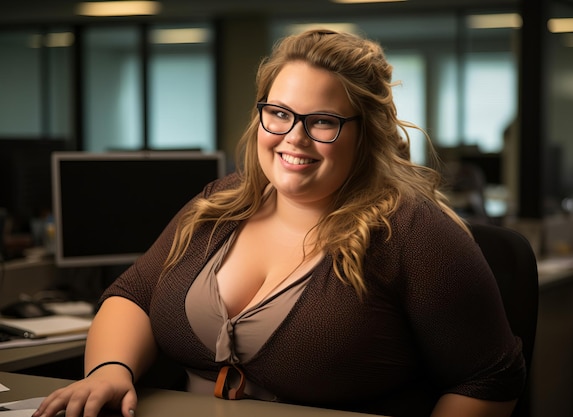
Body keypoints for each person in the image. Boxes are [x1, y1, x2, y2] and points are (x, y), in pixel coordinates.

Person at [34, 29, 525, 417]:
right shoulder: (221, 203)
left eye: (323, 121)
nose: (294, 138)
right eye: (279, 113)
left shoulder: (412, 233)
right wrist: (109, 371)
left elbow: (488, 377)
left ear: (366, 133)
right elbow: (133, 295)